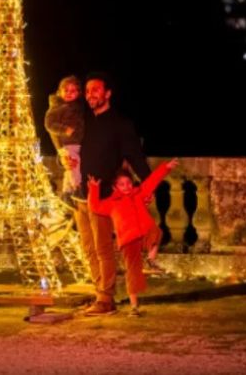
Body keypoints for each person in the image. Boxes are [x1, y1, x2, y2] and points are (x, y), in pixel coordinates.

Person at [75, 72, 152, 316]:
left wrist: (148, 187)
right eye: (87, 91)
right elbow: (70, 149)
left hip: (105, 198)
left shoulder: (120, 124)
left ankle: (106, 299)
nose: (90, 95)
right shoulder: (85, 124)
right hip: (81, 196)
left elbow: (136, 159)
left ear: (108, 93)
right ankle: (101, 293)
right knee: (88, 249)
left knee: (103, 249)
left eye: (96, 90)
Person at [88, 158, 177, 316]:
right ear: (116, 187)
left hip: (143, 233)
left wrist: (166, 167)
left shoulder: (139, 194)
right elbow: (95, 206)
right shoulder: (112, 203)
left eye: (128, 183)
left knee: (156, 231)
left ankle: (151, 255)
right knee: (133, 272)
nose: (126, 187)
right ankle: (134, 306)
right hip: (128, 240)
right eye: (122, 185)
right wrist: (94, 189)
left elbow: (152, 181)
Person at [44, 75, 85, 198]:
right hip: (68, 144)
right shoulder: (58, 107)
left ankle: (67, 193)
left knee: (70, 170)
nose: (69, 93)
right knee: (74, 167)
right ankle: (77, 188)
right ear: (59, 91)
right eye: (66, 90)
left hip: (75, 143)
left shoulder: (76, 107)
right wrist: (64, 129)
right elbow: (49, 124)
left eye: (73, 91)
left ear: (79, 93)